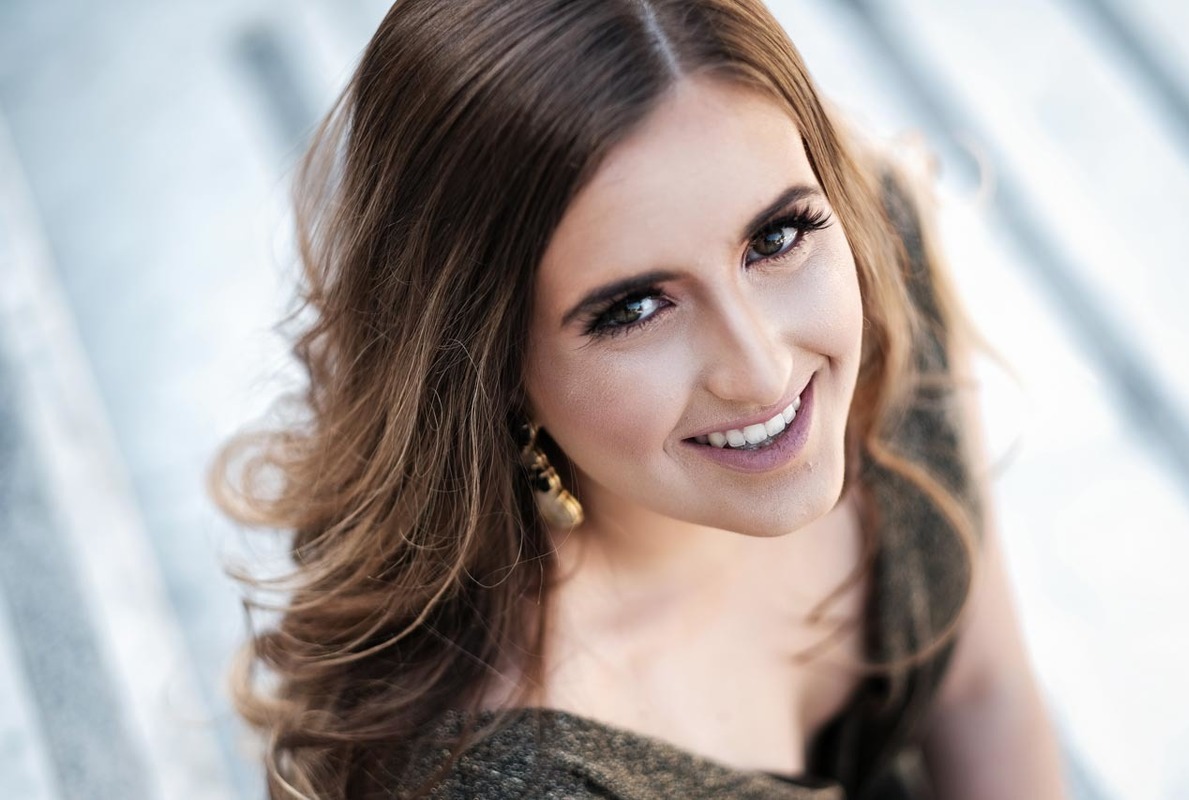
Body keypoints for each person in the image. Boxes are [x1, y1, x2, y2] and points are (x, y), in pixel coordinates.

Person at [211, 0, 1068, 797]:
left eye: (776, 237)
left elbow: (984, 693)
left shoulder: (875, 258)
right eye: (634, 309)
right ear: (487, 364)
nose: (761, 369)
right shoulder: (520, 779)